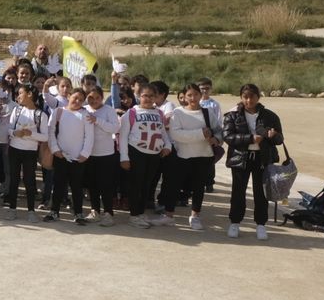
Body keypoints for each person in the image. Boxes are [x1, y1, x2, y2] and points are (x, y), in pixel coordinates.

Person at [223, 84, 283, 241]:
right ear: (241, 97)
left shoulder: (270, 116)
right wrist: (250, 139)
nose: (249, 100)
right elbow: (228, 137)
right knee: (238, 192)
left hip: (262, 159)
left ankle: (261, 225)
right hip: (240, 157)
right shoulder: (232, 115)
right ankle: (235, 223)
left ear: (258, 97)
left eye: (252, 96)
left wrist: (273, 135)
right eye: (245, 97)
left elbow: (280, 140)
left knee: (261, 193)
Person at [167, 82, 221, 231]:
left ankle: (195, 216)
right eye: (189, 95)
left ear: (200, 95)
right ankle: (169, 215)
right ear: (184, 96)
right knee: (174, 185)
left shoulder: (208, 112)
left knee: (199, 187)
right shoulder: (178, 113)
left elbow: (218, 130)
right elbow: (175, 134)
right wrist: (200, 134)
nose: (193, 98)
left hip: (204, 155)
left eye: (196, 94)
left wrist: (216, 139)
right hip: (183, 155)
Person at [119, 82, 173, 228]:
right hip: (136, 153)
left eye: (151, 96)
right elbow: (123, 137)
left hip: (154, 155)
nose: (148, 99)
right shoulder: (131, 113)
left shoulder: (159, 113)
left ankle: (141, 212)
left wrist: (167, 146)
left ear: (155, 97)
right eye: (144, 96)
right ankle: (134, 215)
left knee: (147, 186)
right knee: (135, 185)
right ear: (138, 96)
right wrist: (124, 157)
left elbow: (163, 133)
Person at [46, 89, 95, 223]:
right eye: (75, 98)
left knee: (77, 186)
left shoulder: (86, 115)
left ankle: (78, 213)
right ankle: (54, 211)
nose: (77, 101)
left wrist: (85, 153)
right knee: (58, 185)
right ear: (68, 96)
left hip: (78, 158)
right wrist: (55, 149)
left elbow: (89, 136)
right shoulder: (59, 112)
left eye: (81, 99)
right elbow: (51, 132)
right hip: (61, 156)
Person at [1, 84, 46, 220]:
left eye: (20, 93)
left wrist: (30, 134)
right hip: (15, 150)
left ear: (30, 94)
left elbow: (45, 137)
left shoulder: (40, 114)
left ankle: (31, 211)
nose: (18, 96)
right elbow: (9, 129)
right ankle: (12, 209)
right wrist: (15, 132)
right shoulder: (17, 110)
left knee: (29, 181)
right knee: (14, 179)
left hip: (30, 152)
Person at [83, 86, 120, 226]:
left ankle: (108, 213)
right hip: (89, 154)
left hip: (106, 155)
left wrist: (97, 120)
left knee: (106, 186)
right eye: (90, 98)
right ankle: (95, 211)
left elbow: (115, 128)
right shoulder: (85, 109)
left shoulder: (109, 110)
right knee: (92, 185)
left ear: (102, 98)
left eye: (97, 97)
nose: (94, 100)